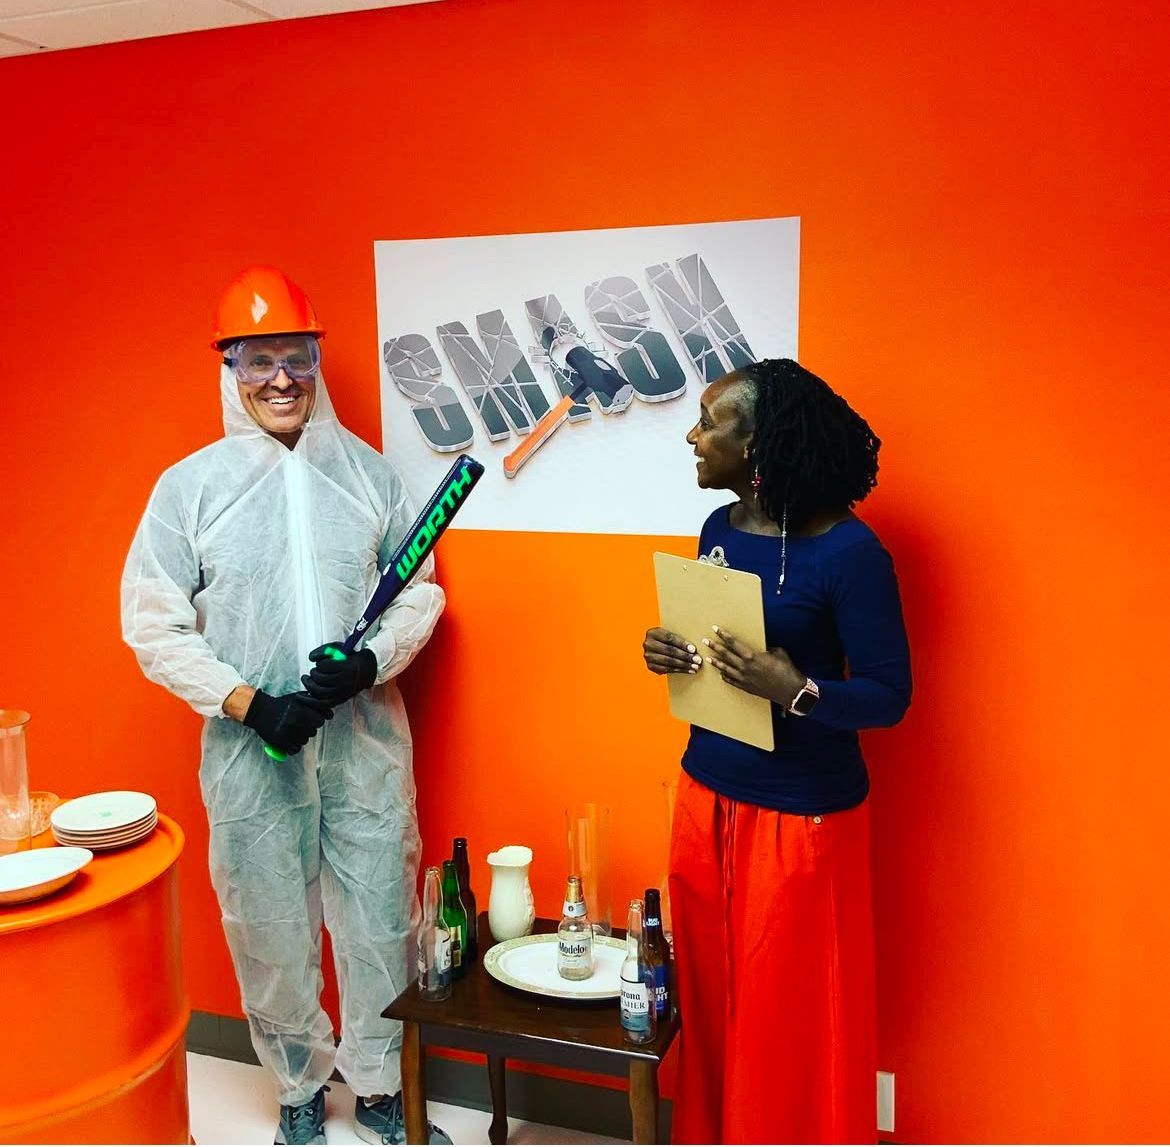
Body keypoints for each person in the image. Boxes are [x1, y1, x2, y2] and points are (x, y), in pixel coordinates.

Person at [122, 266, 451, 1146]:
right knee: (266, 917)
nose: (280, 378)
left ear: (317, 359)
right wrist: (247, 702)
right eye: (258, 359)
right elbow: (151, 621)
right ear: (228, 367)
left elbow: (419, 593)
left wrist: (369, 660)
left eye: (296, 357)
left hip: (363, 738)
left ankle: (383, 1086)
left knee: (381, 910)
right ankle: (299, 1085)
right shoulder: (190, 488)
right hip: (251, 748)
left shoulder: (370, 476)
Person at [643, 358, 912, 1144]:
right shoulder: (719, 529)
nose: (693, 436)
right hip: (706, 798)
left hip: (802, 820)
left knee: (786, 1015)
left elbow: (891, 696)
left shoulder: (851, 554)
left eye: (709, 422)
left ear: (758, 444)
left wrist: (797, 689)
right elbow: (714, 644)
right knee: (713, 997)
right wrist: (669, 650)